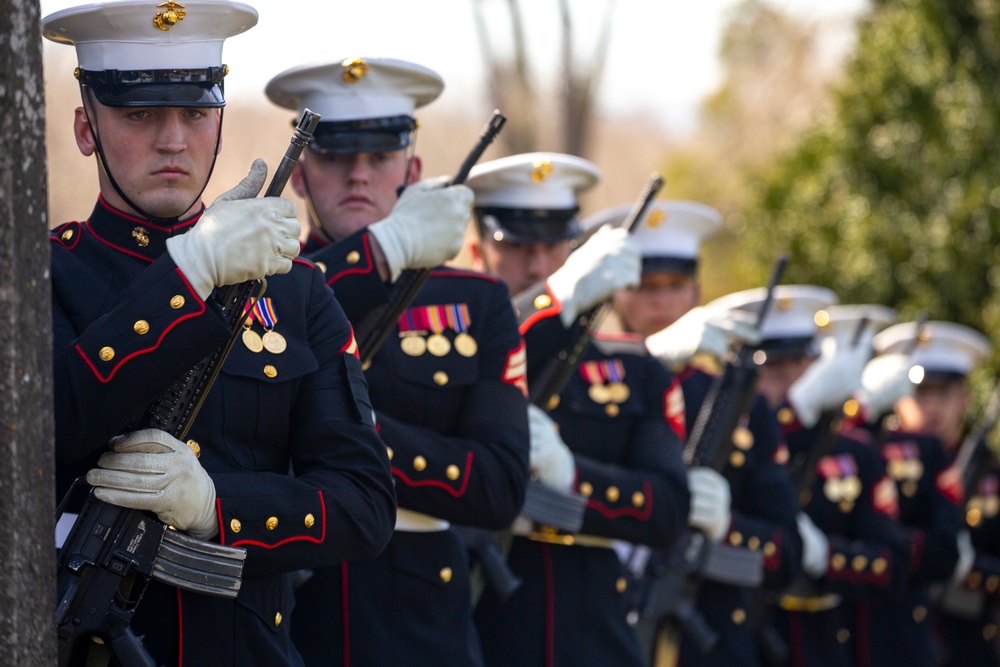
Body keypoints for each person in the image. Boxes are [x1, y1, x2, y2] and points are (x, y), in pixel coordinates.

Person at [44, 2, 396, 665]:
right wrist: (187, 273)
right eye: (139, 115)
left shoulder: (293, 290)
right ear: (86, 129)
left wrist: (217, 506)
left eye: (196, 112)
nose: (173, 140)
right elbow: (43, 431)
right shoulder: (38, 277)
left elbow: (366, 502)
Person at [265, 58, 530, 667]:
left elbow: (498, 486)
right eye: (334, 157)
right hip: (289, 604)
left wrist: (346, 444)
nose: (358, 176)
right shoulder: (259, 283)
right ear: (301, 173)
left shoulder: (477, 302)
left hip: (419, 617)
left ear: (411, 170)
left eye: (380, 158)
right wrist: (377, 256)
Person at [466, 152, 690, 666]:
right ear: (478, 251)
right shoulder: (453, 347)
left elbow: (667, 507)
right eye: (517, 245)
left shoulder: (633, 369)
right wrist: (552, 304)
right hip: (482, 625)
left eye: (553, 246)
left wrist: (572, 477)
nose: (538, 265)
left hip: (593, 629)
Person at [592, 200, 801, 667]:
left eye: (675, 286)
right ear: (615, 292)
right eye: (644, 286)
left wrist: (726, 527)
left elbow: (787, 554)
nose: (661, 301)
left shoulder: (738, 404)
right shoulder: (585, 382)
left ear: (697, 291)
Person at [711, 287, 904, 667]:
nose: (783, 377)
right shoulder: (727, 439)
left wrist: (827, 557)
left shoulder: (853, 450)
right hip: (732, 628)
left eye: (796, 362)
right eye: (769, 364)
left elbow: (891, 565)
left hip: (820, 638)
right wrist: (795, 414)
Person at [873, 321, 997, 667]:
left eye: (943, 393)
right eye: (920, 393)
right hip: (890, 637)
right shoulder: (875, 461)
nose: (932, 406)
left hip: (966, 643)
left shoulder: (990, 473)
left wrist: (972, 569)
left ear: (965, 398)